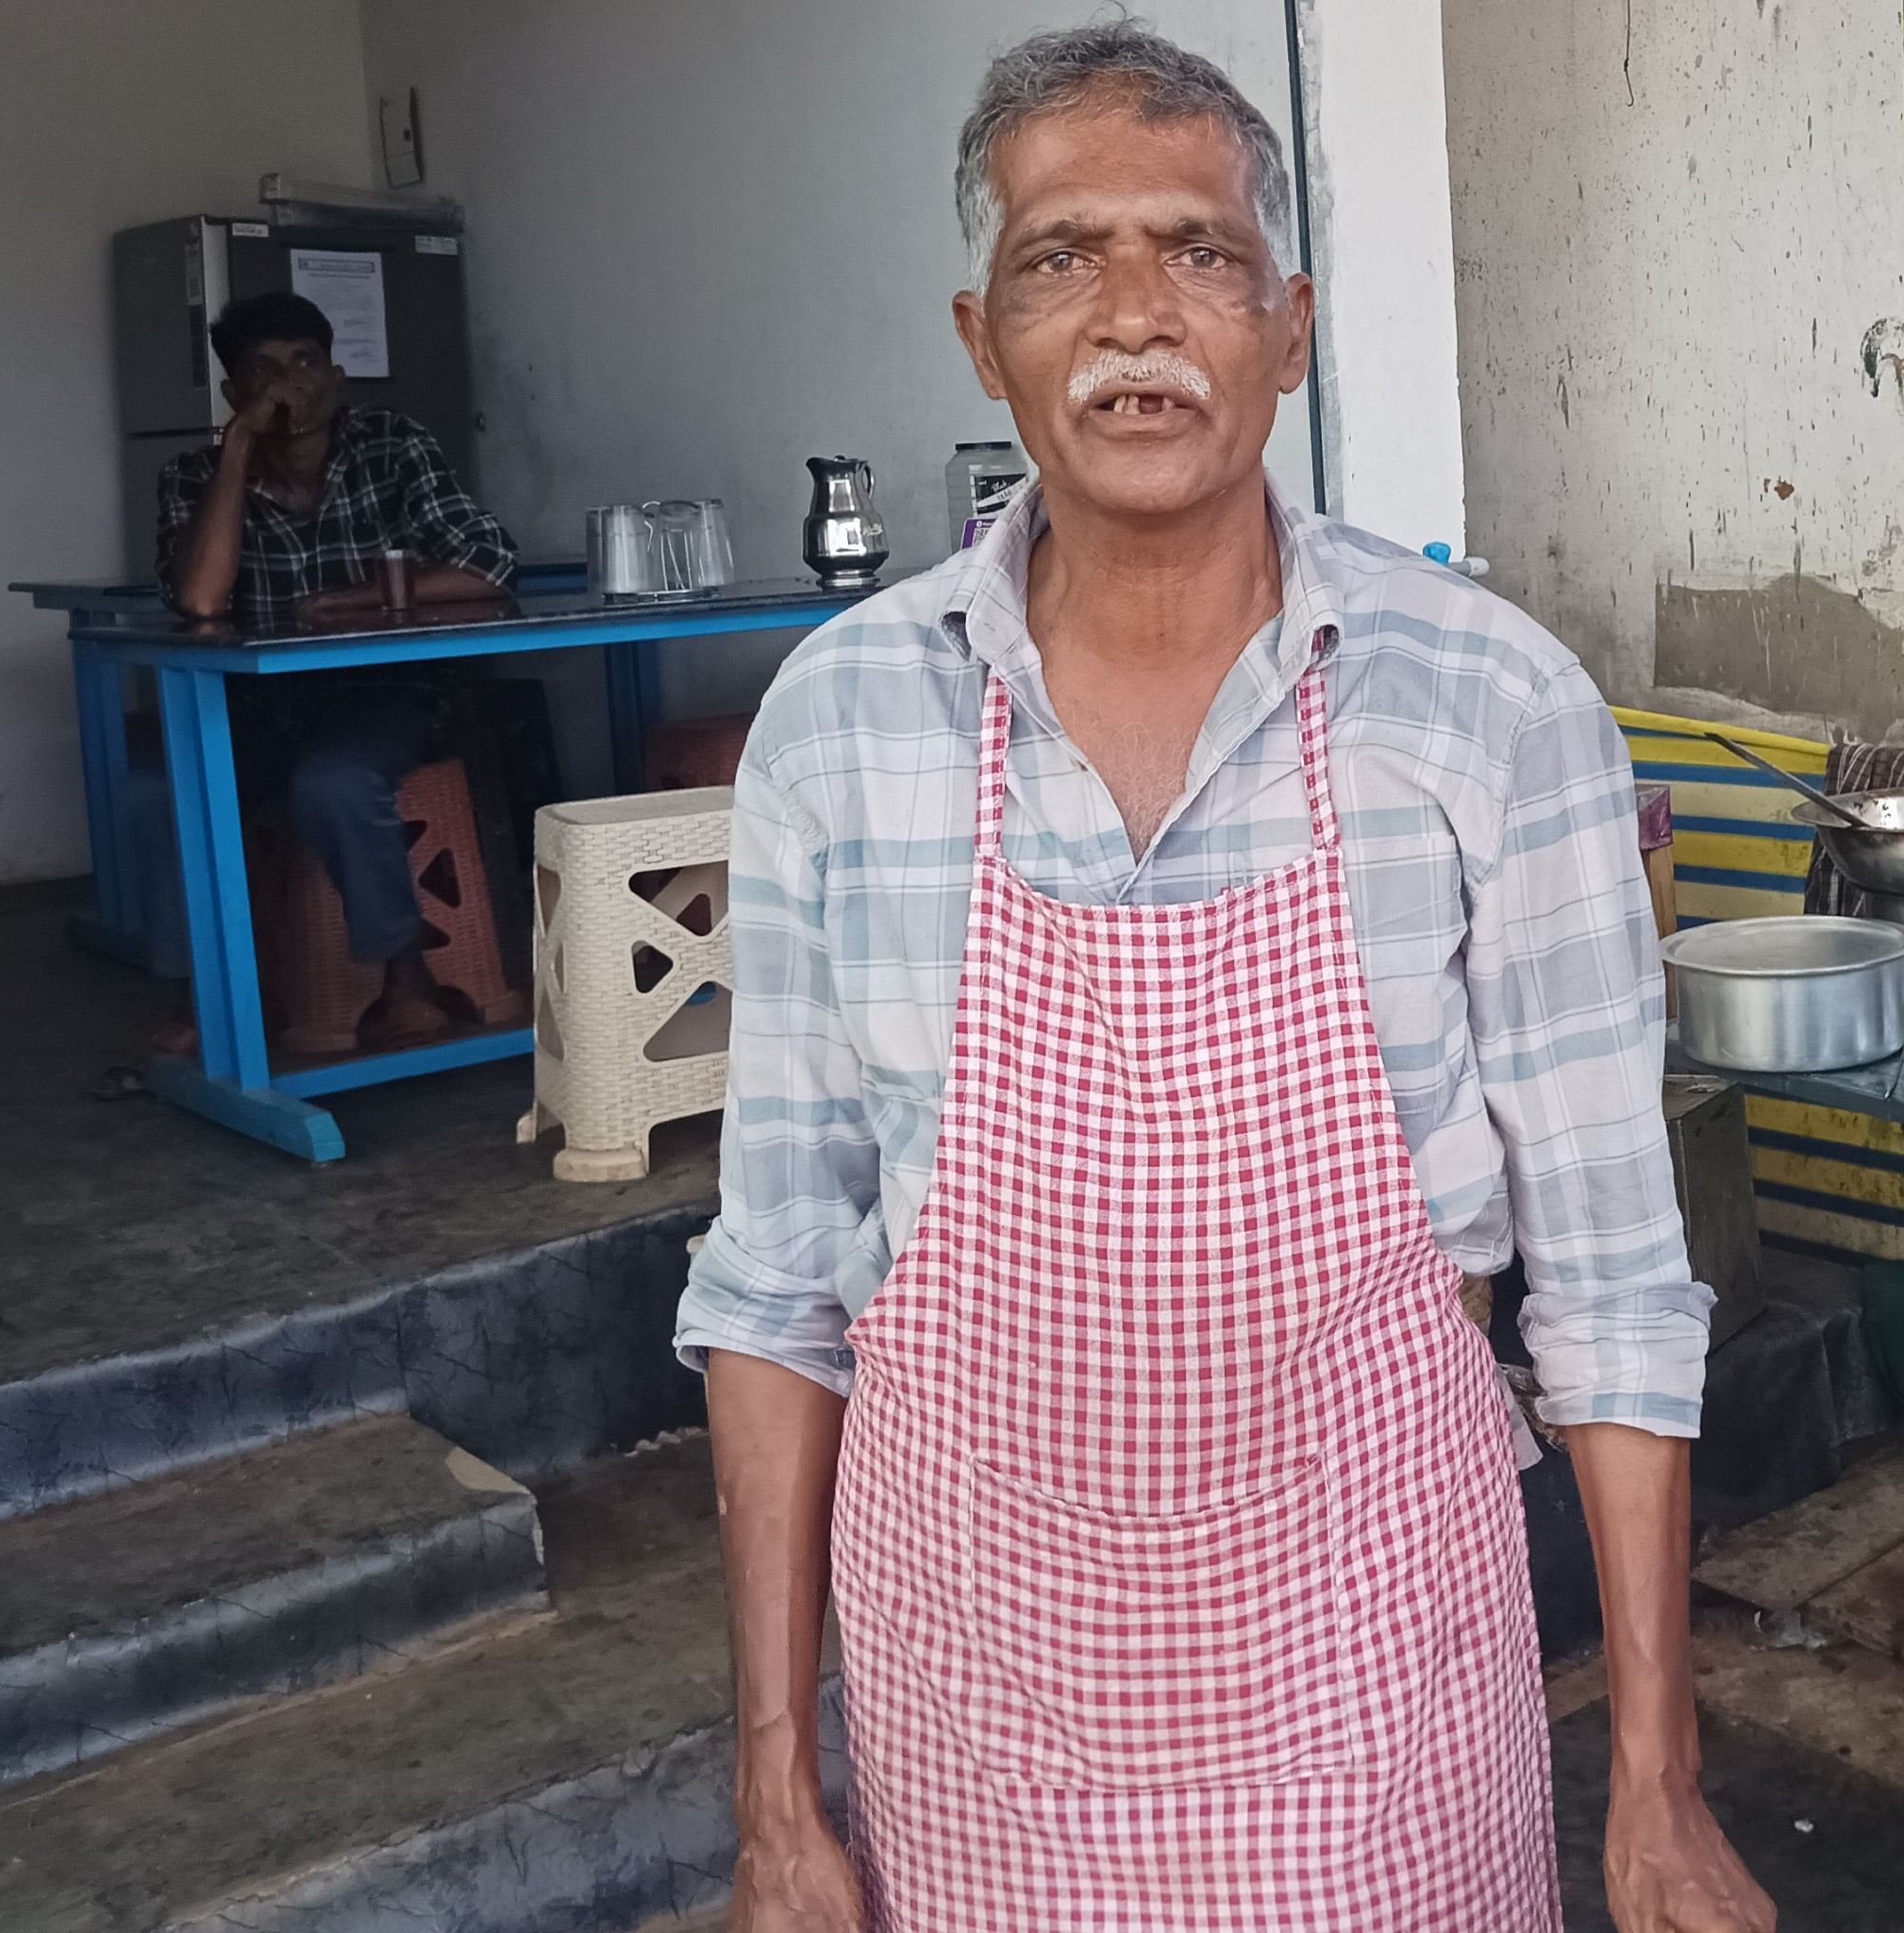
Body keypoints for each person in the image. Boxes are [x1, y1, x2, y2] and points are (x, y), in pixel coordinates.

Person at [676, 25, 1774, 1933]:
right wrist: (779, 1796)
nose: (1132, 316)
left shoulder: (1494, 701)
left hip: (1387, 1716)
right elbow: (778, 1282)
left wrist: (1657, 1780)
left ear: (1292, 325)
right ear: (977, 335)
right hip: (979, 1721)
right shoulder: (839, 725)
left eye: (1198, 252)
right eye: (1059, 256)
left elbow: (1608, 1283)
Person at [153, 290, 520, 1048]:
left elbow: (487, 566)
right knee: (184, 785)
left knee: (335, 780)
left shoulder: (392, 444)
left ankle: (406, 976)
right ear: (234, 395)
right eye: (264, 370)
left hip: (383, 691)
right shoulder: (194, 475)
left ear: (337, 376)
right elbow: (198, 596)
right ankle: (220, 996)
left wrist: (353, 601)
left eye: (306, 361)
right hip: (253, 701)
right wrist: (237, 455)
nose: (292, 383)